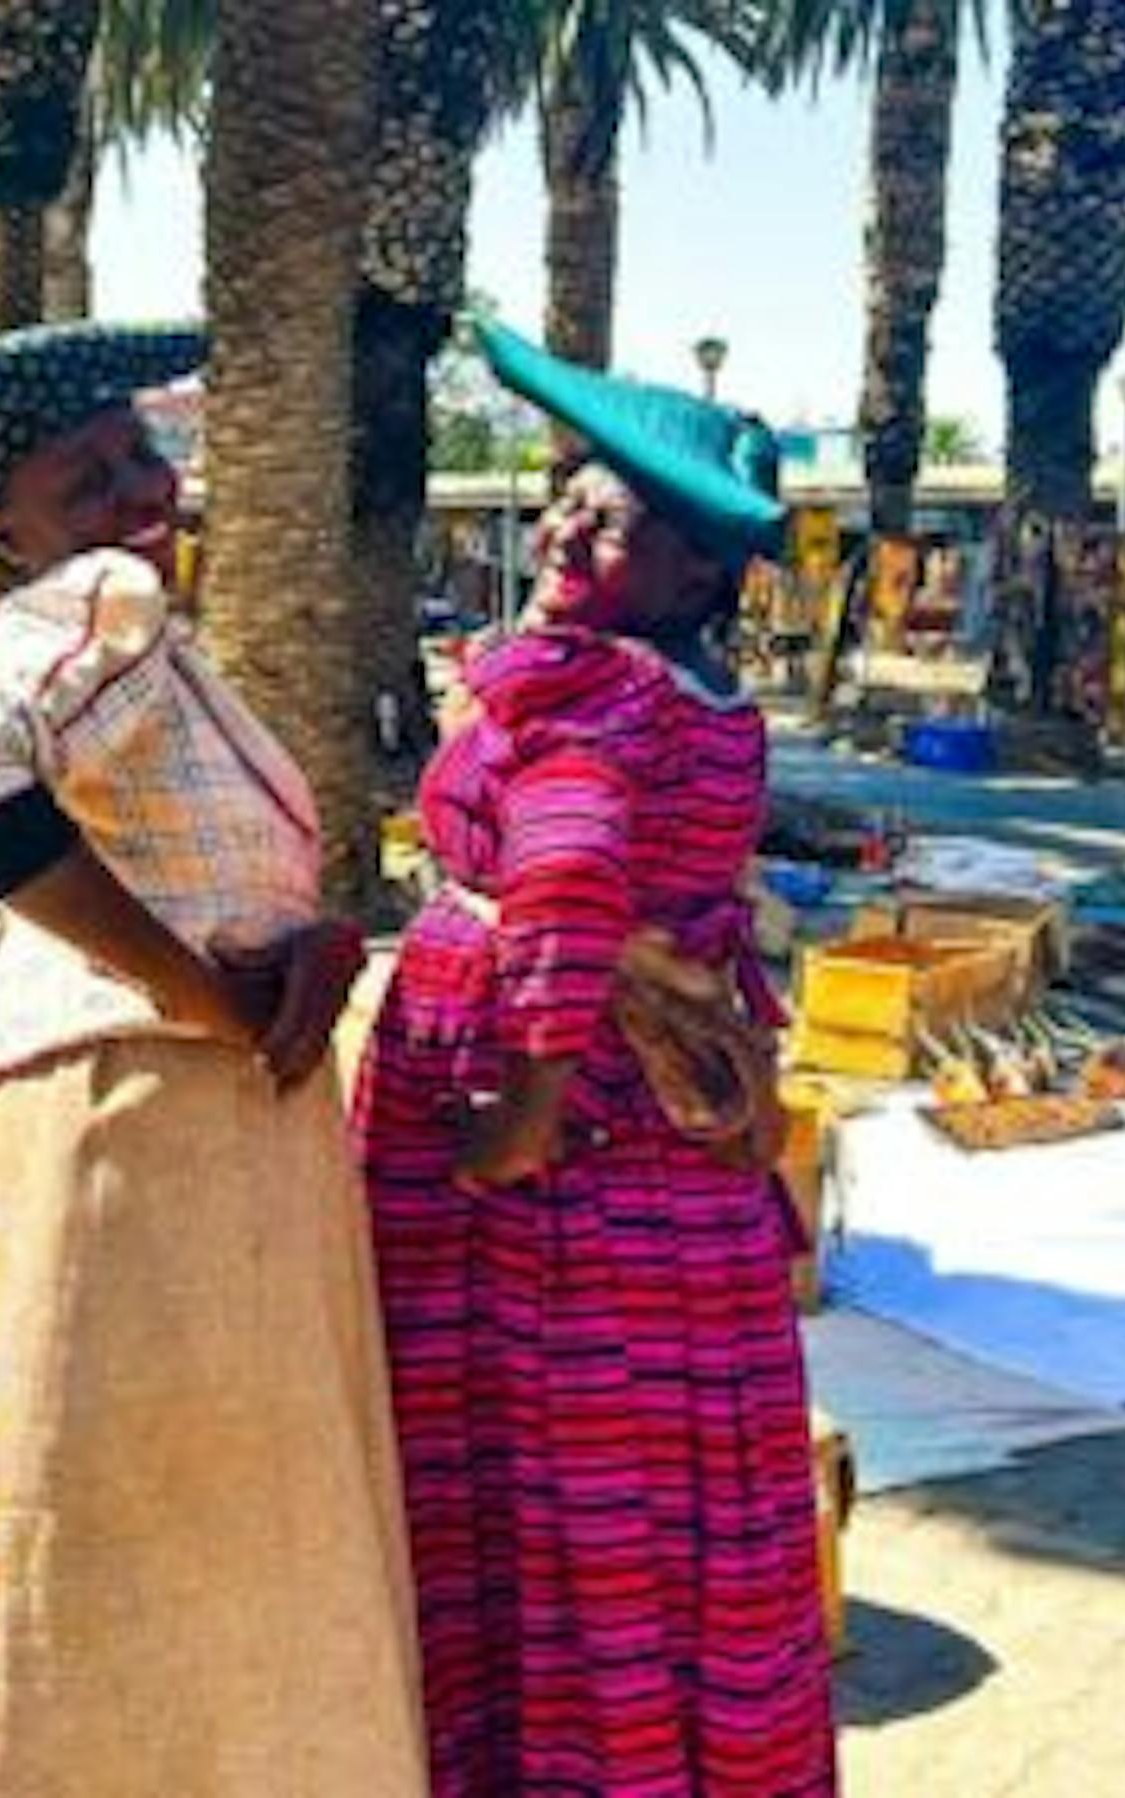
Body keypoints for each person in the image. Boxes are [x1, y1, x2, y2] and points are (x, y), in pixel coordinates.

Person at [0, 322, 426, 1798]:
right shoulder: (98, 599)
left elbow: (200, 864)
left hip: (146, 1133)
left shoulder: (137, 627)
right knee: (139, 1517)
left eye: (138, 454)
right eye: (80, 478)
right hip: (131, 1135)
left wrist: (311, 943)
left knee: (86, 1514)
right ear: (0, 529)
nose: (135, 493)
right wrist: (201, 993)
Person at [355, 318, 837, 1796]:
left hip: (558, 1155)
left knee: (543, 1454)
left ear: (700, 570)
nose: (566, 520)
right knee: (659, 1463)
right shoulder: (704, 698)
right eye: (570, 490)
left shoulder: (592, 692)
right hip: (664, 1149)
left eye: (610, 514)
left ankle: (546, 1756)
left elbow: (561, 885)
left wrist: (524, 1114)